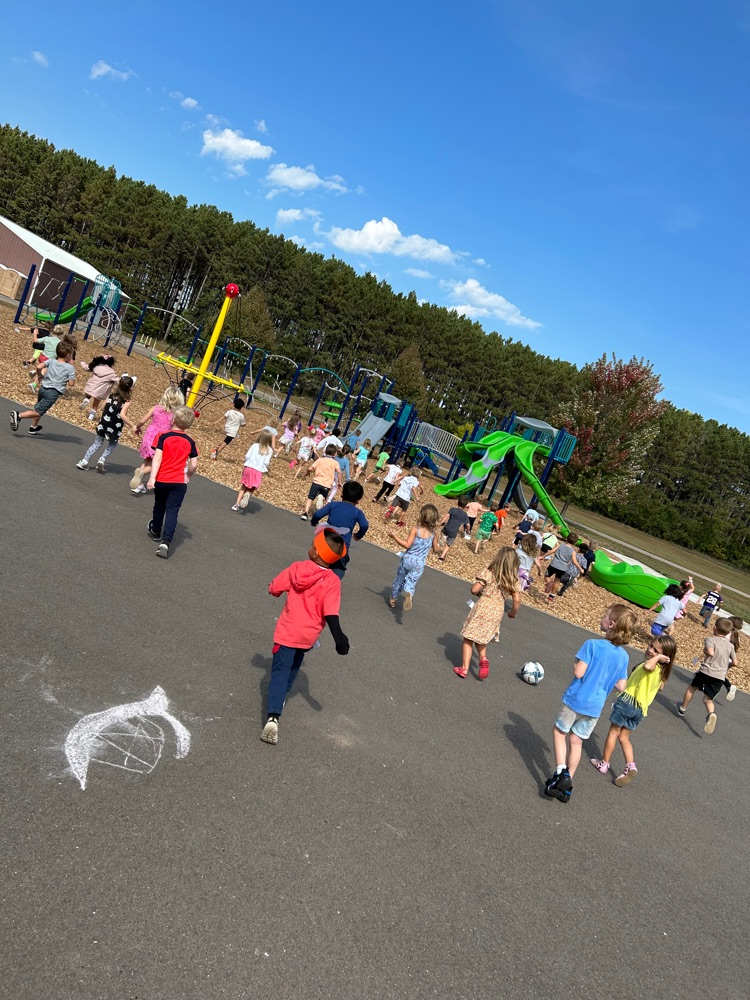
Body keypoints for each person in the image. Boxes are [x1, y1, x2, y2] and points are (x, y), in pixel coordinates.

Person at [260, 528, 349, 746]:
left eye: (312, 545)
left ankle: (273, 716)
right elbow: (330, 613)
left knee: (279, 671)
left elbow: (274, 587)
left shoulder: (297, 569)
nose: (309, 547)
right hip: (307, 637)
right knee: (293, 668)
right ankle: (281, 698)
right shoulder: (333, 582)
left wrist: (273, 589)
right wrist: (339, 637)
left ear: (317, 553)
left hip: (287, 632)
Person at [545, 604, 637, 803]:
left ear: (611, 624)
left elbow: (579, 672)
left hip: (576, 700)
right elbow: (622, 685)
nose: (601, 617)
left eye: (604, 616)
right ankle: (567, 786)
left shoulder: (592, 645)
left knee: (559, 732)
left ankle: (561, 773)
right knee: (577, 742)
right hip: (595, 707)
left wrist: (575, 664)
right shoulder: (624, 656)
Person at [590, 634, 677, 786]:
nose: (650, 651)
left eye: (656, 651)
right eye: (651, 646)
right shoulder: (661, 673)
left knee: (614, 732)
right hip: (640, 710)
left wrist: (656, 659)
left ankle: (604, 763)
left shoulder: (651, 666)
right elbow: (661, 687)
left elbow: (647, 666)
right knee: (624, 737)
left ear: (664, 657)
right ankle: (630, 765)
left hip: (627, 703)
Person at [454, 547, 521, 680]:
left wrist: (479, 590)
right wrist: (513, 613)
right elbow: (517, 599)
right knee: (482, 637)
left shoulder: (489, 573)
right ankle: (483, 658)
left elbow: (474, 589)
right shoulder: (513, 579)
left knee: (468, 638)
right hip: (497, 610)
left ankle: (464, 668)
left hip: (483, 606)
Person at [146, 405, 199, 559]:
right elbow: (194, 464)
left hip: (163, 478)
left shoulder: (163, 436)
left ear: (173, 419)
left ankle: (156, 530)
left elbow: (157, 458)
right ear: (189, 425)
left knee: (159, 505)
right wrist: (188, 475)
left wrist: (152, 478)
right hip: (179, 482)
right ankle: (166, 540)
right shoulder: (190, 441)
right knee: (172, 511)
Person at [677, 618, 737, 734]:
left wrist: (706, 652)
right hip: (719, 677)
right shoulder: (730, 646)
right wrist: (726, 666)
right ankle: (711, 714)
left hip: (706, 671)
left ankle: (683, 708)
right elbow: (735, 663)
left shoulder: (710, 639)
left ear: (715, 627)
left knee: (691, 688)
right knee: (708, 699)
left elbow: (710, 652)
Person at [10, 342, 75, 434]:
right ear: (68, 355)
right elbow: (71, 384)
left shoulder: (51, 361)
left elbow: (39, 366)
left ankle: (33, 427)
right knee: (38, 411)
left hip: (43, 388)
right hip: (53, 392)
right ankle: (18, 416)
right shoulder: (70, 368)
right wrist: (69, 378)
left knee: (39, 408)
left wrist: (40, 374)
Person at [76, 377, 138, 472]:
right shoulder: (127, 401)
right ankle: (102, 459)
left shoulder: (110, 395)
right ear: (130, 388)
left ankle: (84, 461)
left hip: (104, 423)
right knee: (113, 444)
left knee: (97, 443)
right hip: (115, 426)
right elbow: (122, 414)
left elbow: (102, 407)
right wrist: (132, 425)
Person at [130, 387, 184, 495]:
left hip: (149, 437)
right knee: (156, 462)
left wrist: (137, 426)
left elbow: (142, 420)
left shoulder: (156, 408)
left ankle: (139, 485)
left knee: (147, 460)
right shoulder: (175, 414)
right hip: (161, 441)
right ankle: (142, 473)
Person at [310, 481, 369, 578]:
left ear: (342, 494)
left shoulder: (333, 505)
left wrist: (314, 522)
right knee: (338, 569)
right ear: (358, 500)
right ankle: (332, 586)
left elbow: (317, 514)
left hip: (326, 543)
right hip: (341, 547)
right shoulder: (357, 512)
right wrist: (358, 535)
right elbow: (364, 525)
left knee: (318, 564)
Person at [388, 504, 440, 611]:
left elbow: (407, 544)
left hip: (408, 558)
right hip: (419, 563)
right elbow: (436, 550)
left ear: (422, 515)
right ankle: (409, 592)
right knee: (411, 580)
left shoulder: (416, 529)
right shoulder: (433, 534)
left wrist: (395, 536)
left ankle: (393, 598)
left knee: (400, 578)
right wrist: (440, 545)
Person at [232, 430, 273, 511]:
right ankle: (248, 494)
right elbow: (266, 462)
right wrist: (264, 468)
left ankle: (236, 504)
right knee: (252, 488)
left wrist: (246, 463)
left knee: (243, 486)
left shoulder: (254, 445)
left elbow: (247, 456)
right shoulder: (269, 450)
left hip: (249, 467)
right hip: (257, 471)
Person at [301, 444, 339, 519]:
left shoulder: (320, 460)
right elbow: (339, 472)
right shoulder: (335, 463)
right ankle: (317, 515)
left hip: (317, 482)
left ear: (325, 451)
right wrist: (339, 481)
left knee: (310, 498)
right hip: (327, 485)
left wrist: (307, 473)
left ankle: (305, 513)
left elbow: (310, 468)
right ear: (334, 454)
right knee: (322, 498)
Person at [543, 535, 582, 601]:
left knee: (546, 576)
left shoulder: (560, 545)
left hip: (554, 564)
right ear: (575, 543)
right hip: (563, 568)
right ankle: (552, 595)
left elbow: (551, 551)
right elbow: (574, 561)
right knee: (557, 581)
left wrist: (543, 556)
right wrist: (580, 568)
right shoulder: (573, 551)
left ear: (566, 539)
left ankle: (549, 582)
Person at [438, 497, 471, 562]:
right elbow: (468, 524)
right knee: (448, 544)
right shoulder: (464, 515)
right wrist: (468, 530)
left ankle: (440, 542)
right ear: (465, 506)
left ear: (457, 503)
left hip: (447, 528)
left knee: (442, 536)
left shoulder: (452, 509)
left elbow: (447, 515)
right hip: (453, 532)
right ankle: (441, 557)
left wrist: (441, 522)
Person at [723, 616, 742, 701]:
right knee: (720, 674)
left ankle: (729, 686)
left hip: (722, 658)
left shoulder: (727, 634)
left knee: (715, 673)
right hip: (730, 659)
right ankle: (728, 686)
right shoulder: (737, 636)